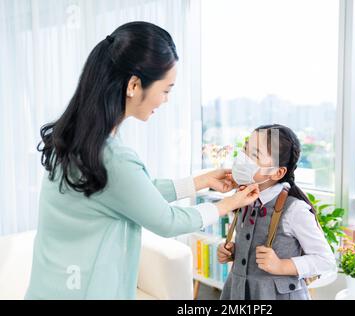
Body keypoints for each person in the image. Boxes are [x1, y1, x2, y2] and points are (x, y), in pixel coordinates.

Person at [25, 21, 259, 299]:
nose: (166, 100)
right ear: (134, 85)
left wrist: (200, 181)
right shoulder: (111, 156)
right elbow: (165, 220)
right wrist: (228, 204)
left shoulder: (75, 139)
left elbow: (129, 193)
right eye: (166, 90)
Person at [217, 124, 337, 300]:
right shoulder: (243, 197)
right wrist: (235, 251)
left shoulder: (295, 210)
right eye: (245, 149)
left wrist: (282, 266)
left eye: (255, 155)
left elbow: (326, 261)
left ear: (278, 172)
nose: (243, 159)